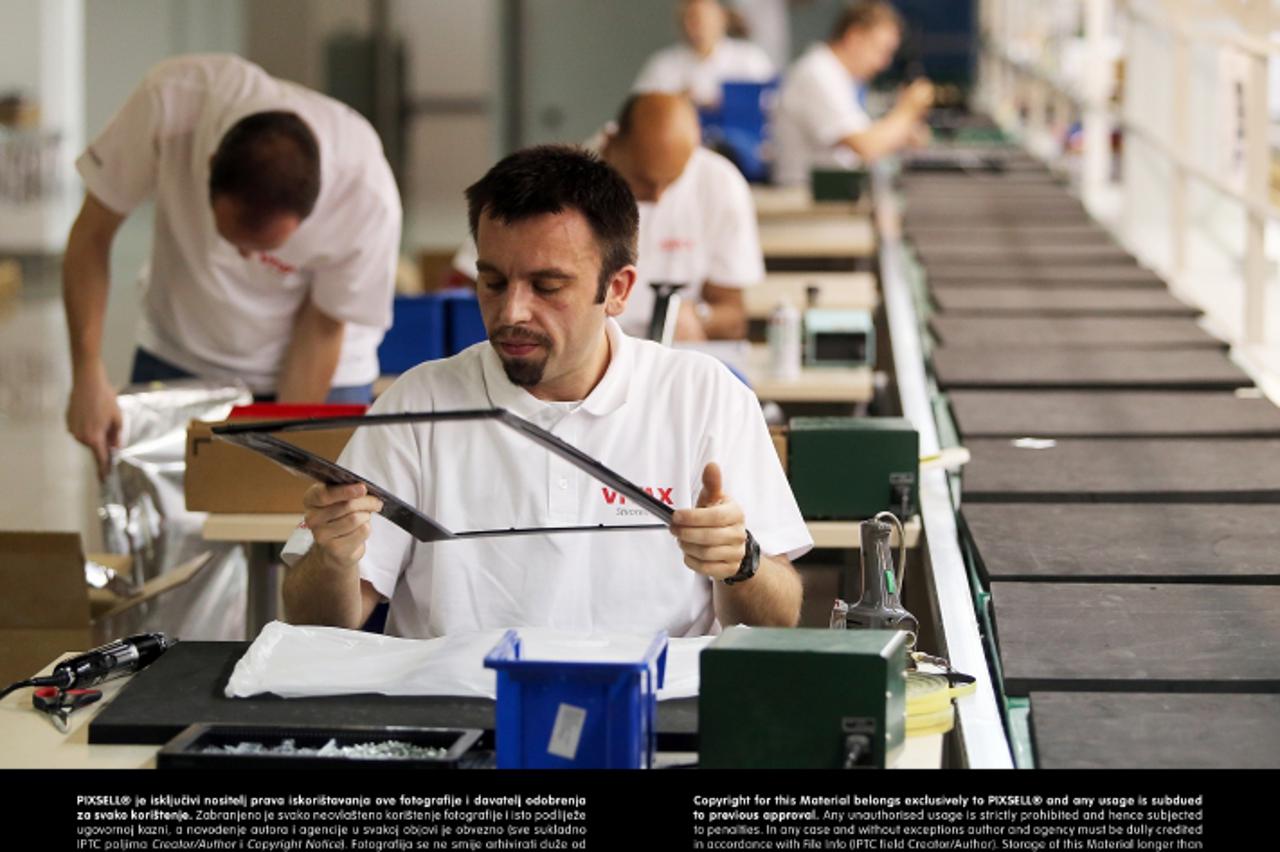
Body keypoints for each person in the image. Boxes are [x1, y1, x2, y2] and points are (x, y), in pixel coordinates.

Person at [281, 145, 809, 638]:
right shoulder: (419, 406)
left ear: (618, 289)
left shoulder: (702, 398)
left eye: (547, 287)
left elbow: (778, 619)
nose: (512, 313)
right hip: (459, 718)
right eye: (492, 282)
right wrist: (333, 558)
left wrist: (741, 563)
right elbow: (317, 622)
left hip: (649, 717)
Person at [64, 54, 401, 477]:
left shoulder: (364, 195)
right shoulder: (173, 101)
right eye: (234, 240)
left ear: (313, 210)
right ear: (208, 168)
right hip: (182, 349)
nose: (246, 260)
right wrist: (87, 372)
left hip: (320, 369)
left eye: (265, 249)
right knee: (167, 529)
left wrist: (283, 453)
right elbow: (91, 236)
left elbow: (321, 328)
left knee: (298, 522)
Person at [453, 94, 763, 341]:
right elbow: (464, 286)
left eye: (672, 181)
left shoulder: (719, 183)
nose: (657, 197)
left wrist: (699, 317)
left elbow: (734, 315)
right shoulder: (554, 180)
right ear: (611, 142)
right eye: (644, 180)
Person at [772, 0, 934, 186]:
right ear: (854, 37)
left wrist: (902, 133)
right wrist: (907, 109)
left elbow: (868, 139)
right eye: (881, 51)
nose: (885, 63)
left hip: (831, 195)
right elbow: (866, 146)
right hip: (805, 200)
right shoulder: (818, 73)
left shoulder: (840, 77)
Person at [633, 0, 776, 110]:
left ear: (722, 17)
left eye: (705, 17)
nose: (699, 26)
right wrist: (675, 103)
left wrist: (727, 103)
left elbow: (773, 103)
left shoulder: (751, 59)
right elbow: (638, 110)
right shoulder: (662, 65)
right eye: (692, 18)